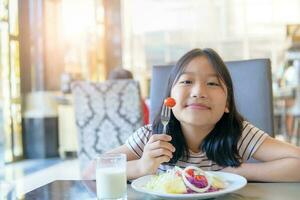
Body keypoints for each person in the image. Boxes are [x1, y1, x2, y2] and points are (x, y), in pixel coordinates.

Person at [85, 48, 300, 182]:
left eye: (213, 83)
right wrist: (142, 166)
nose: (198, 92)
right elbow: (92, 171)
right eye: (187, 81)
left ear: (227, 104)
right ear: (170, 97)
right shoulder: (152, 137)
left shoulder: (238, 134)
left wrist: (240, 172)